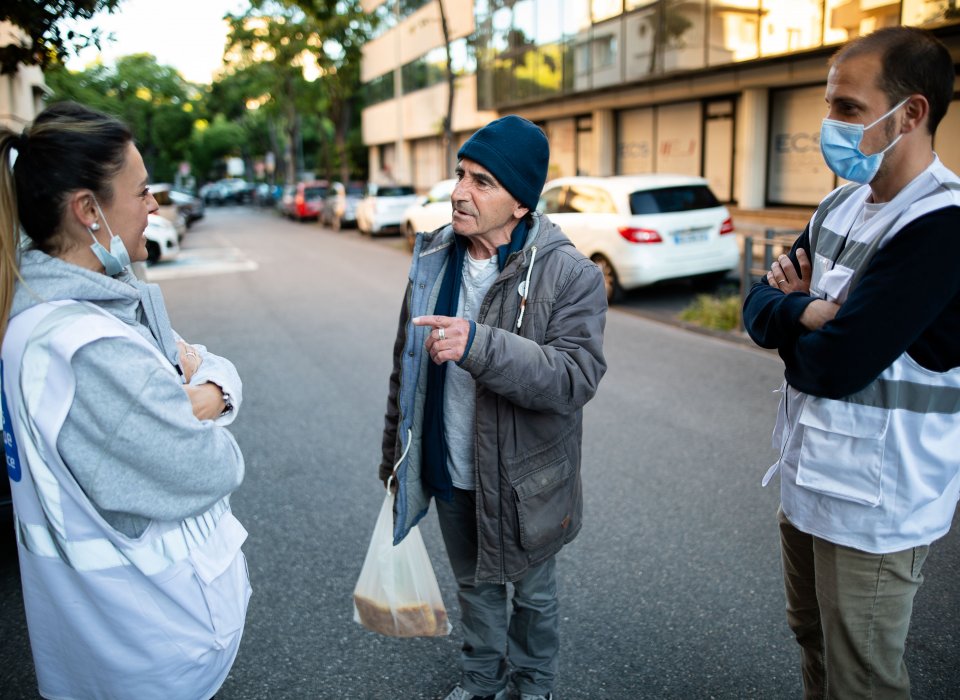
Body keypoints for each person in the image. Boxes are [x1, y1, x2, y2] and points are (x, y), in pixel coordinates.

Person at [0, 102, 251, 700]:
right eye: (141, 192)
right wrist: (212, 394)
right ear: (88, 210)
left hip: (107, 639)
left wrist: (192, 395)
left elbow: (193, 368)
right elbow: (215, 466)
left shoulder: (47, 313)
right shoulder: (90, 347)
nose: (155, 207)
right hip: (150, 643)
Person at [742, 27, 960, 699]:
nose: (826, 125)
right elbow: (754, 308)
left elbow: (834, 368)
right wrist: (805, 311)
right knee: (812, 641)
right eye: (828, 105)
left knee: (861, 678)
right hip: (809, 479)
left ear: (912, 113)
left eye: (847, 109)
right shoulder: (839, 203)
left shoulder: (939, 224)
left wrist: (795, 309)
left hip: (878, 501)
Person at [378, 115, 607, 700]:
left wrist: (480, 345)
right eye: (461, 175)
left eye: (482, 182)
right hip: (449, 464)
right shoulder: (432, 255)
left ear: (521, 203)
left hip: (527, 482)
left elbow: (574, 378)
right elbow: (406, 366)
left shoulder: (570, 274)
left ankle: (534, 687)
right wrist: (395, 459)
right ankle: (481, 681)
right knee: (475, 587)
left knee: (532, 597)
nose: (459, 192)